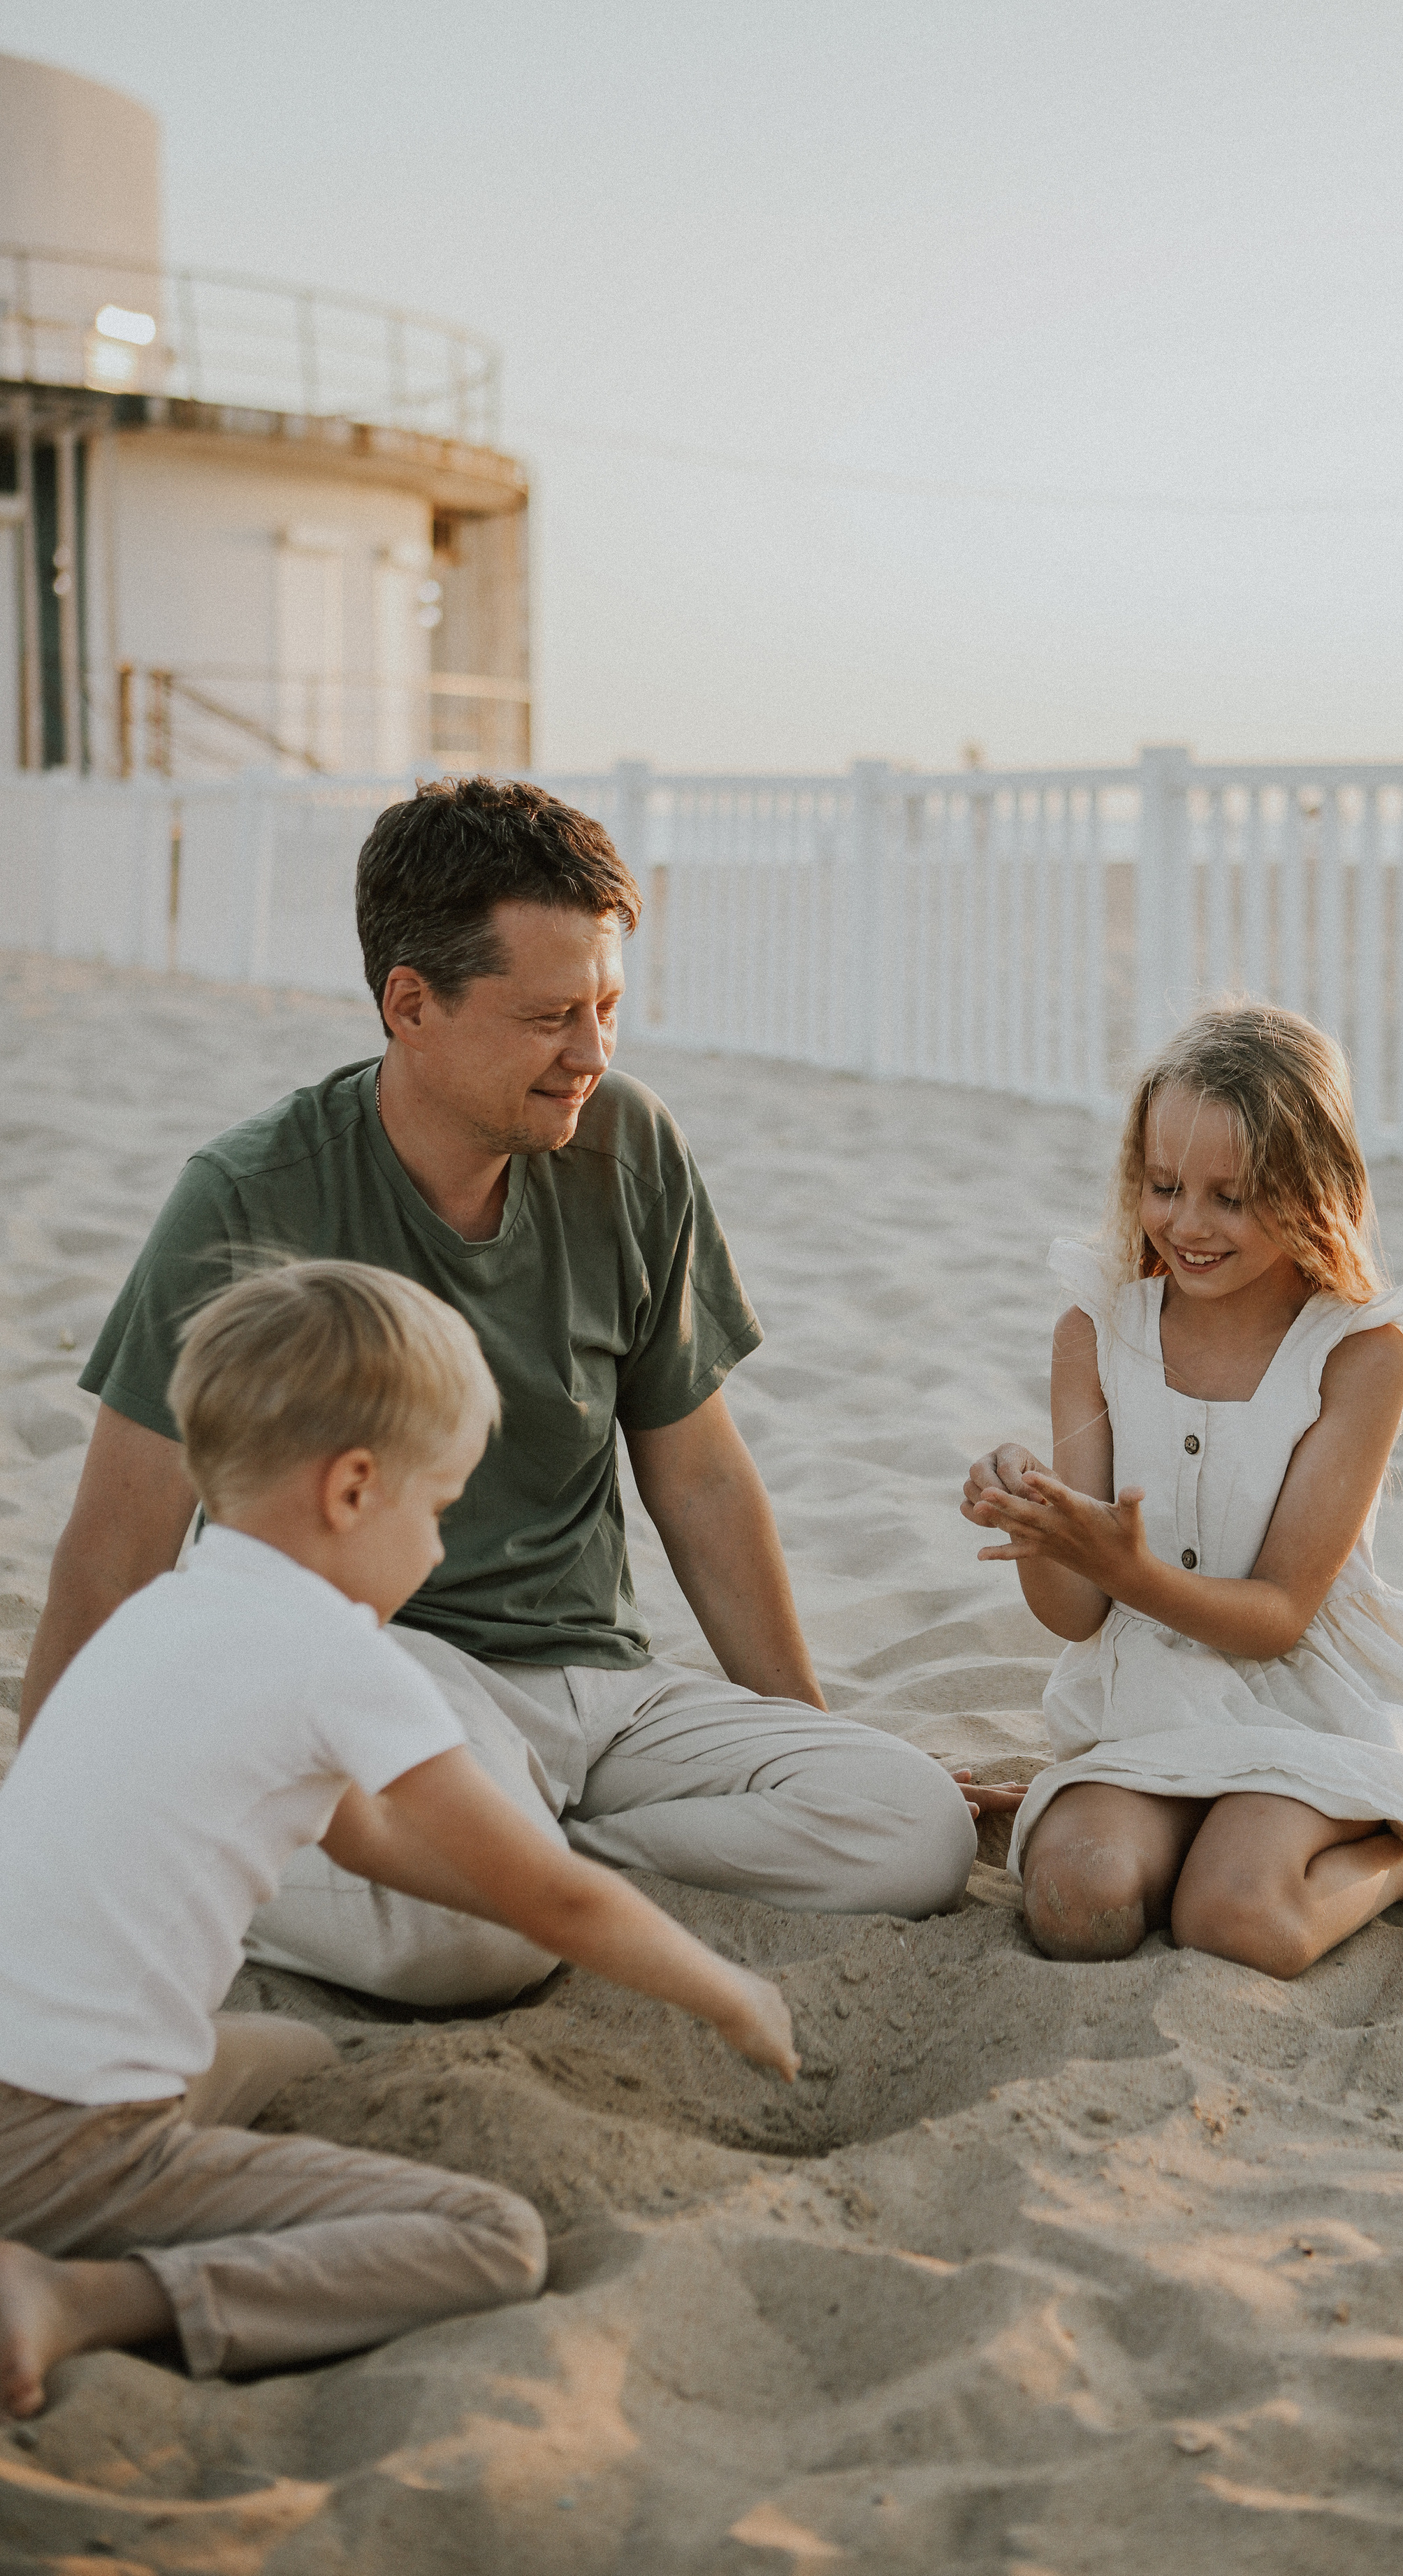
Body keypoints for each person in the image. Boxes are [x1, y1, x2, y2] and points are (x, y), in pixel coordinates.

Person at [20, 776, 975, 2006]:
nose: (594, 1052)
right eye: (550, 1017)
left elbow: (699, 1473)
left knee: (914, 1826)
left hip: (606, 1685)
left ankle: (536, 1864)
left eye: (610, 1007)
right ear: (411, 1006)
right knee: (474, 1947)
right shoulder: (252, 1198)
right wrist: (45, 1827)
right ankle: (463, 1874)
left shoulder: (631, 1146)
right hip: (387, 1671)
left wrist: (812, 1734)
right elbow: (114, 1549)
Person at [0, 1260, 799, 2420]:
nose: (433, 1554)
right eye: (436, 1511)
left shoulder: (165, 1612)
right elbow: (558, 1904)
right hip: (64, 2143)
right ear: (355, 1489)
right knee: (488, 2238)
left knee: (297, 2058)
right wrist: (727, 1992)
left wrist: (505, 1881)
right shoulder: (335, 1656)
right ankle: (77, 2299)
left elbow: (368, 1842)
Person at [959, 999, 1403, 1976]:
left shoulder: (1360, 1354)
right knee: (1074, 1904)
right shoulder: (1095, 1330)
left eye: (1231, 1196)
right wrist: (1045, 1531)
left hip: (1307, 1693)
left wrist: (1126, 1567)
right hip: (1151, 1691)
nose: (1187, 1223)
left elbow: (1276, 1617)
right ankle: (1186, 1827)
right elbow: (1074, 1615)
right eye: (1164, 1184)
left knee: (1237, 1920)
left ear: (1312, 1189)